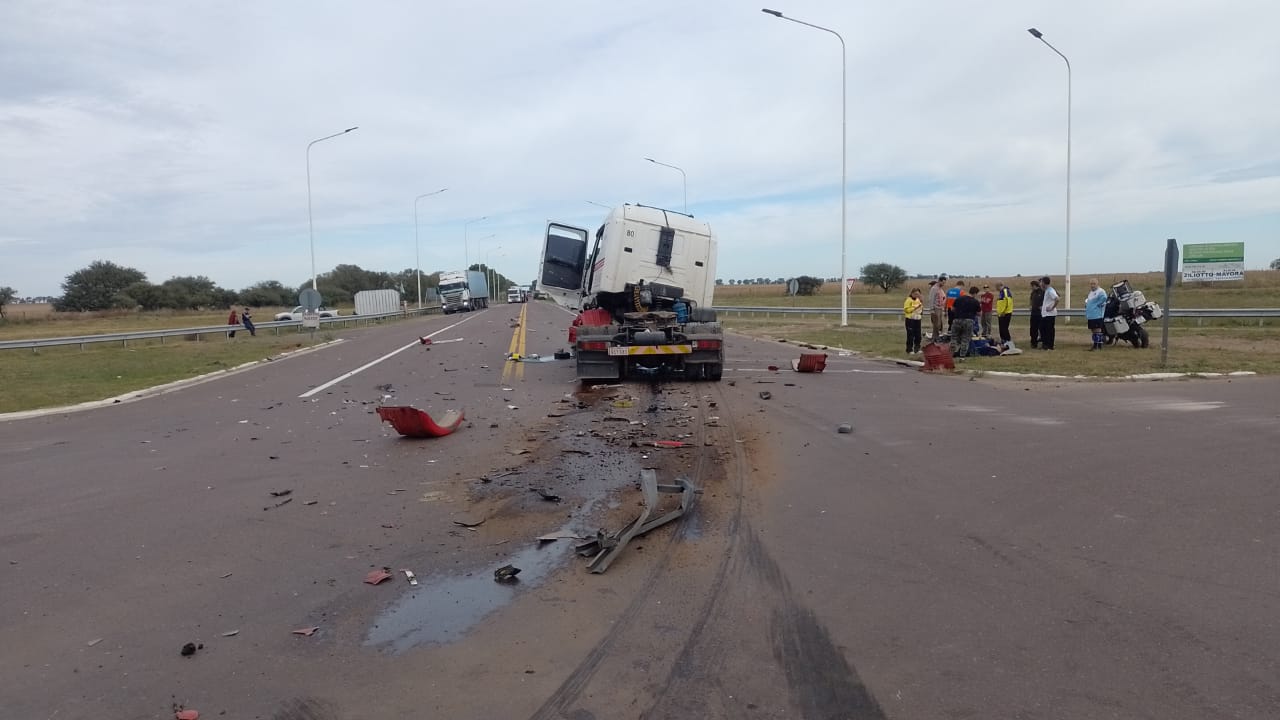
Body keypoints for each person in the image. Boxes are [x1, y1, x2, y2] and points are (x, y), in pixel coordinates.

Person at [951, 286, 982, 358]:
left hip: (957, 320)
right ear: (975, 293)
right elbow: (979, 314)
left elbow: (952, 309)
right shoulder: (975, 302)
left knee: (954, 337)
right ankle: (962, 356)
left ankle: (951, 354)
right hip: (968, 321)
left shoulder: (959, 299)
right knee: (965, 338)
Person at [1084, 278, 1107, 350]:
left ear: (1097, 284)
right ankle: (1095, 344)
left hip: (1097, 314)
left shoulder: (1100, 291)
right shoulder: (1091, 292)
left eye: (1094, 284)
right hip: (1091, 315)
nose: (1092, 285)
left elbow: (1104, 298)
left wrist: (1098, 304)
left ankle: (1098, 345)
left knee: (1097, 329)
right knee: (1093, 330)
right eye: (1091, 284)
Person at [1039, 276, 1059, 350]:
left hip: (1050, 315)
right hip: (1045, 314)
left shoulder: (1050, 290)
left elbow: (1057, 299)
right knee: (1042, 329)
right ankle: (1045, 344)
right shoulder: (1047, 290)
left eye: (1041, 282)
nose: (1040, 284)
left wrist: (1052, 307)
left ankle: (1049, 345)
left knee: (1049, 330)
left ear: (1044, 283)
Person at [903, 288, 923, 354]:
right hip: (910, 319)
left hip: (917, 319)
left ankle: (917, 348)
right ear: (912, 293)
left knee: (918, 335)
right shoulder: (908, 300)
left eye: (918, 294)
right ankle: (909, 349)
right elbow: (906, 310)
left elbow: (921, 307)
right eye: (915, 294)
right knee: (910, 335)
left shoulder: (918, 300)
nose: (916, 295)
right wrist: (914, 308)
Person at [928, 275, 948, 343]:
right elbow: (931, 299)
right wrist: (932, 309)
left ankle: (936, 336)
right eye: (942, 282)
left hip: (940, 308)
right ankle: (935, 337)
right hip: (935, 308)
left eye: (944, 283)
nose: (943, 284)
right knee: (936, 323)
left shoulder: (940, 289)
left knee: (939, 324)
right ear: (939, 281)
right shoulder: (934, 288)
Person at [1029, 279, 1044, 348]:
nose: (1031, 288)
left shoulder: (1042, 292)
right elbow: (1031, 300)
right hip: (1033, 313)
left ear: (1034, 285)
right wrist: (1031, 306)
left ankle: (1043, 342)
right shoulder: (1033, 293)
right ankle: (1033, 343)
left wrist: (1042, 307)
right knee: (1033, 329)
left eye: (1032, 286)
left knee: (1041, 329)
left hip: (1040, 314)